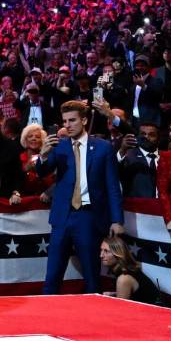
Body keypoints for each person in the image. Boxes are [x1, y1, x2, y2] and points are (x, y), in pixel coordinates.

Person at [37, 100, 124, 294]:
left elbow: (112, 186)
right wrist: (43, 155)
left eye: (72, 120)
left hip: (89, 217)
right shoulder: (59, 147)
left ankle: (93, 315)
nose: (67, 125)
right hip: (62, 217)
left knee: (92, 274)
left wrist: (117, 219)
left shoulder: (103, 147)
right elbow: (43, 172)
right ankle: (44, 313)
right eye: (65, 121)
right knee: (52, 274)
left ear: (84, 120)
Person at [100, 236, 159, 304]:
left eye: (106, 251)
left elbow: (121, 310)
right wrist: (114, 294)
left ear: (118, 253)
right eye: (101, 250)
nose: (101, 255)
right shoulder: (129, 270)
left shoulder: (123, 278)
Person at [117, 122, 160, 199]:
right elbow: (114, 171)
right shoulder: (128, 156)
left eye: (151, 135)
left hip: (161, 207)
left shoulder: (165, 156)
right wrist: (122, 150)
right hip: (135, 208)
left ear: (158, 138)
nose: (146, 137)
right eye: (143, 134)